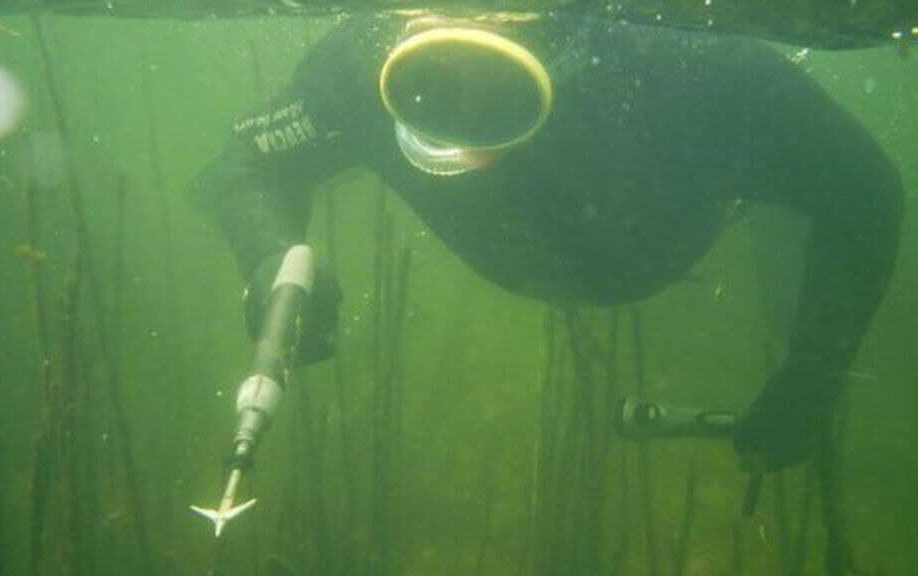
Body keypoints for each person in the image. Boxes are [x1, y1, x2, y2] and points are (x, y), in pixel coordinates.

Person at [188, 11, 902, 473]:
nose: (465, 138)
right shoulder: (358, 63)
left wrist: (814, 371)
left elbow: (865, 193)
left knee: (801, 205)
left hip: (698, 214)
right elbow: (247, 163)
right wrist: (272, 262)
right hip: (623, 251)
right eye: (432, 91)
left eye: (497, 98)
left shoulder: (692, 65)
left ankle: (772, 218)